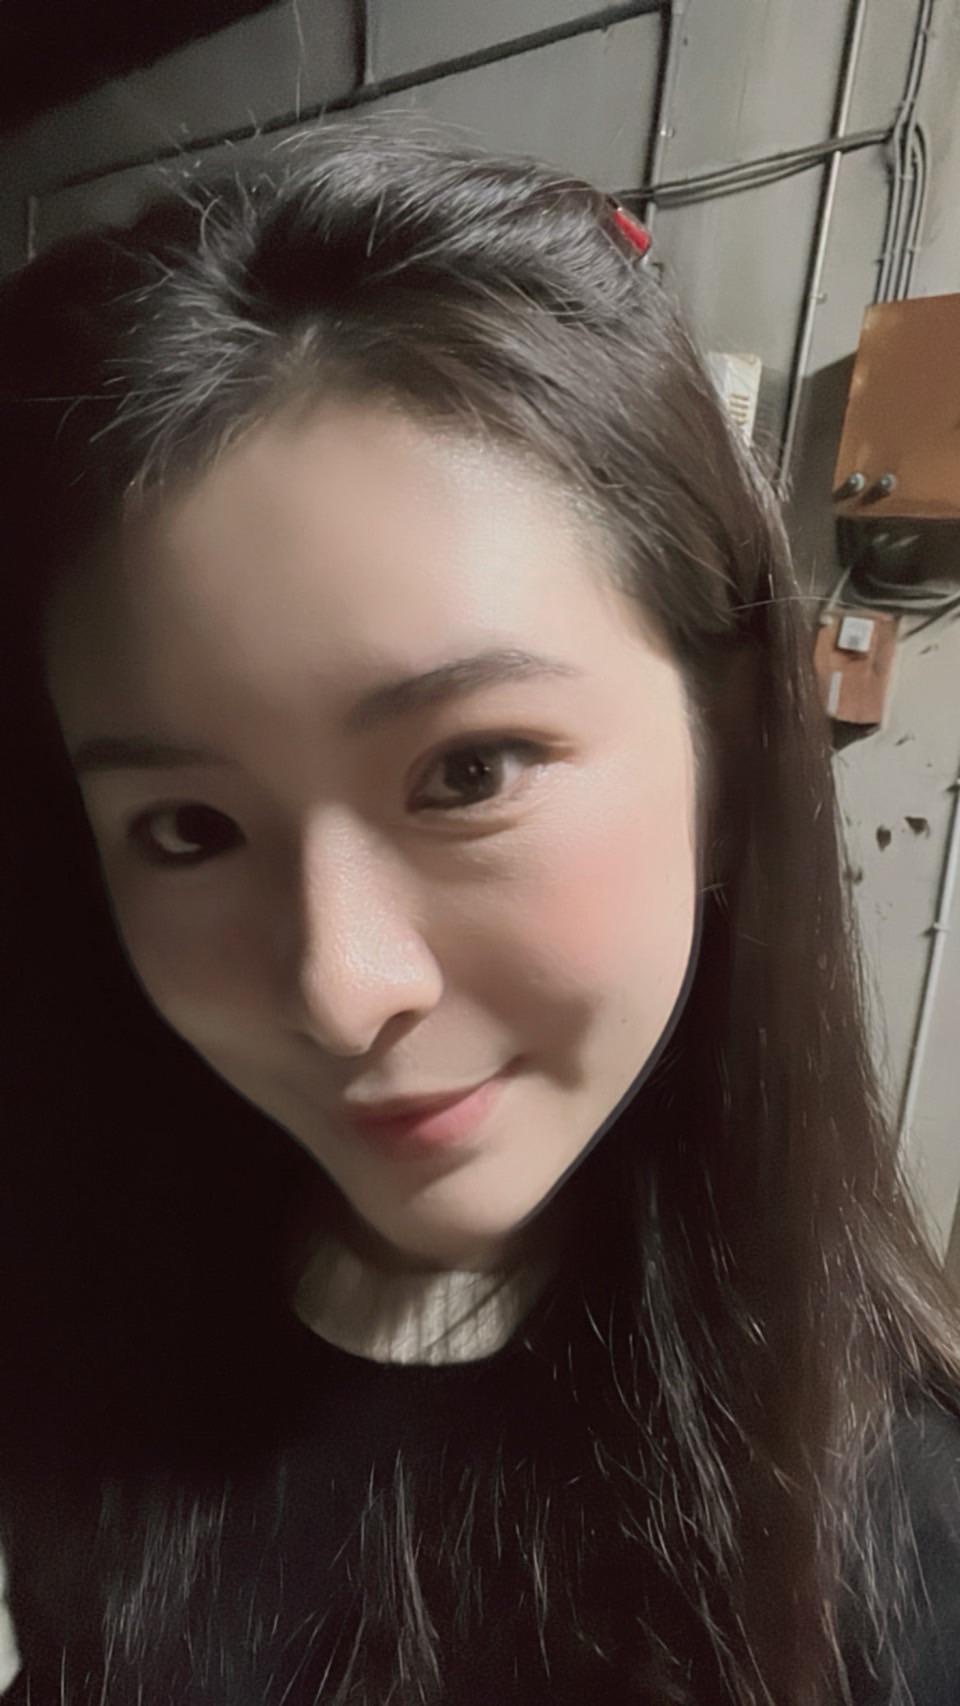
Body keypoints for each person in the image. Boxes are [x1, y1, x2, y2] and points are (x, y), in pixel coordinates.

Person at [0, 115, 959, 1706]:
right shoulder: (89, 1326)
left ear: (731, 747)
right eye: (188, 828)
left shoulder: (908, 1548)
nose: (339, 990)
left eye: (468, 771)